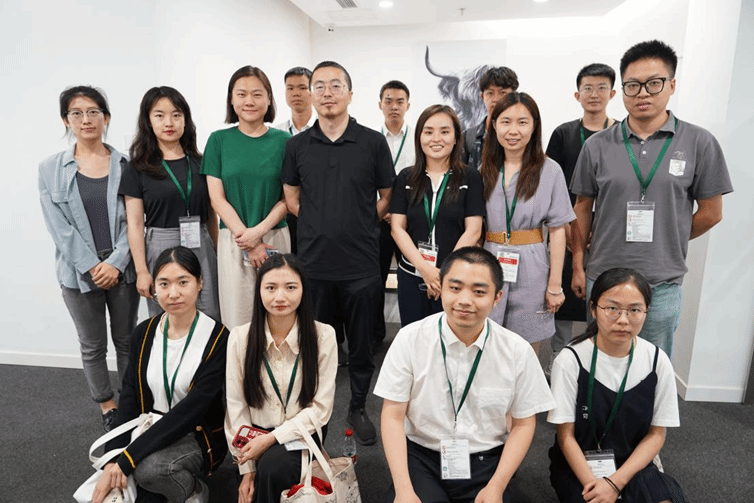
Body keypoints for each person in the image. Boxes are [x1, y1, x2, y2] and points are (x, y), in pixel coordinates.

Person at [570, 40, 733, 357]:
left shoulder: (699, 142)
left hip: (662, 282)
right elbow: (582, 208)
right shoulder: (597, 145)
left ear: (671, 85)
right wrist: (578, 265)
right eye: (632, 85)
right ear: (622, 90)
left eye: (653, 83)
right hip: (603, 277)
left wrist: (669, 235)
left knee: (653, 366)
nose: (642, 93)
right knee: (602, 362)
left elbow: (712, 212)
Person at [375, 247, 555, 503]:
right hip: (422, 455)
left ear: (497, 297)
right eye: (455, 288)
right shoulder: (410, 338)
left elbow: (524, 424)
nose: (465, 300)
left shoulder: (517, 350)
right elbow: (392, 416)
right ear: (441, 288)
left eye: (479, 292)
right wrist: (403, 489)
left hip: (485, 460)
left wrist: (497, 486)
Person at [282, 60, 394, 445]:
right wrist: (320, 222)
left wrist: (359, 221)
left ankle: (358, 406)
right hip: (313, 266)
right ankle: (317, 410)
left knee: (362, 347)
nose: (327, 93)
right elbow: (291, 199)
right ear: (311, 94)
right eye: (319, 86)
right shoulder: (297, 146)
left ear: (350, 93)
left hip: (361, 264)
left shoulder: (372, 142)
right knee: (316, 346)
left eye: (335, 85)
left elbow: (387, 196)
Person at [92, 246, 229, 503]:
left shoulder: (218, 339)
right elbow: (130, 397)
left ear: (200, 283)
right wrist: (113, 458)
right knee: (118, 481)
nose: (173, 293)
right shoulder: (144, 333)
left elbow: (190, 411)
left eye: (183, 282)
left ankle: (195, 491)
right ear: (154, 288)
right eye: (164, 284)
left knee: (150, 470)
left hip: (195, 434)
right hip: (149, 429)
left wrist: (128, 459)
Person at [38, 85, 139, 432]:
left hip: (122, 270)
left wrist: (115, 262)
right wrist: (94, 266)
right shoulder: (50, 168)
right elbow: (59, 228)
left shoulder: (127, 165)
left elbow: (135, 221)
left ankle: (130, 403)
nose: (86, 119)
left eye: (94, 111)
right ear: (66, 120)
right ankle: (107, 407)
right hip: (77, 273)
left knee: (126, 341)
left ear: (106, 118)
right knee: (92, 345)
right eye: (77, 113)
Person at [548, 268, 685, 503]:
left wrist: (615, 483)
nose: (623, 320)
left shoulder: (657, 360)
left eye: (634, 310)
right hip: (581, 466)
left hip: (635, 464)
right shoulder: (570, 360)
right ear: (593, 309)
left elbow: (656, 435)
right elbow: (565, 437)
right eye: (612, 308)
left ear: (646, 311)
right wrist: (597, 487)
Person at [225, 253, 337, 503]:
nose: (280, 297)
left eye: (290, 287)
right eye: (271, 288)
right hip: (252, 435)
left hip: (302, 432)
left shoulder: (323, 336)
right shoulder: (240, 338)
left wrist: (271, 439)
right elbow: (236, 407)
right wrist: (247, 470)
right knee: (249, 484)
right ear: (259, 291)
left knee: (273, 468)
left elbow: (320, 409)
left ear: (303, 290)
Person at [481, 92, 575, 355]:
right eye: (505, 121)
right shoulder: (484, 169)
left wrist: (554, 285)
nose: (513, 130)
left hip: (533, 263)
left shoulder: (550, 170)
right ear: (494, 125)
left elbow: (558, 230)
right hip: (490, 259)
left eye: (522, 122)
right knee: (488, 341)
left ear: (534, 126)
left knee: (527, 349)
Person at [120, 86, 220, 322]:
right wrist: (142, 271)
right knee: (166, 317)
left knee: (210, 315)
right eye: (160, 115)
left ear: (185, 120)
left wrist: (217, 254)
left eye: (176, 115)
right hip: (160, 244)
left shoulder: (201, 163)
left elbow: (211, 215)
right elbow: (135, 223)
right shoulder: (137, 168)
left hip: (201, 241)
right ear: (148, 121)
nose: (169, 122)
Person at [202, 66, 291, 330]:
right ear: (231, 99)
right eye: (241, 94)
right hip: (234, 239)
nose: (249, 101)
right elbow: (217, 199)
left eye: (257, 94)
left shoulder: (285, 141)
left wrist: (258, 234)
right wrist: (248, 240)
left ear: (269, 99)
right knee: (239, 320)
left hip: (274, 236)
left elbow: (288, 198)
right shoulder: (218, 140)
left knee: (279, 313)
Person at [545, 63, 617, 370]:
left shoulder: (621, 136)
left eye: (602, 88)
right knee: (561, 297)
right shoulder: (563, 134)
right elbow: (550, 185)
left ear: (613, 93)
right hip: (565, 228)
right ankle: (558, 362)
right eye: (587, 88)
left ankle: (595, 365)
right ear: (577, 95)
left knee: (602, 298)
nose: (594, 94)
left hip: (608, 233)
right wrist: (569, 233)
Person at [391, 104, 485, 326]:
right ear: (419, 137)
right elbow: (397, 228)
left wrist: (446, 273)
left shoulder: (469, 177)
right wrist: (425, 270)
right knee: (414, 336)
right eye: (428, 131)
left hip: (455, 279)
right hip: (412, 274)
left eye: (444, 131)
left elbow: (473, 230)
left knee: (451, 336)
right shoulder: (406, 177)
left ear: (456, 137)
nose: (436, 139)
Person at [376, 80, 415, 344]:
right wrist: (382, 211)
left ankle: (411, 334)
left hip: (409, 222)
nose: (394, 106)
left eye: (400, 101)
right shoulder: (370, 140)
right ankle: (376, 334)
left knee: (410, 277)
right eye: (388, 101)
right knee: (375, 279)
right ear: (380, 104)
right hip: (377, 220)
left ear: (407, 105)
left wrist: (401, 213)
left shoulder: (417, 139)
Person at [274, 66, 316, 256]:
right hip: (285, 214)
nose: (295, 93)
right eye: (290, 88)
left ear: (312, 91)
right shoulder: (277, 133)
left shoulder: (323, 130)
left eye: (302, 87)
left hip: (317, 213)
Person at [461, 66, 519, 171]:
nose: (496, 99)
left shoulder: (521, 135)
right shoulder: (467, 137)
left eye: (503, 93)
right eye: (490, 93)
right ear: (483, 97)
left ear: (514, 96)